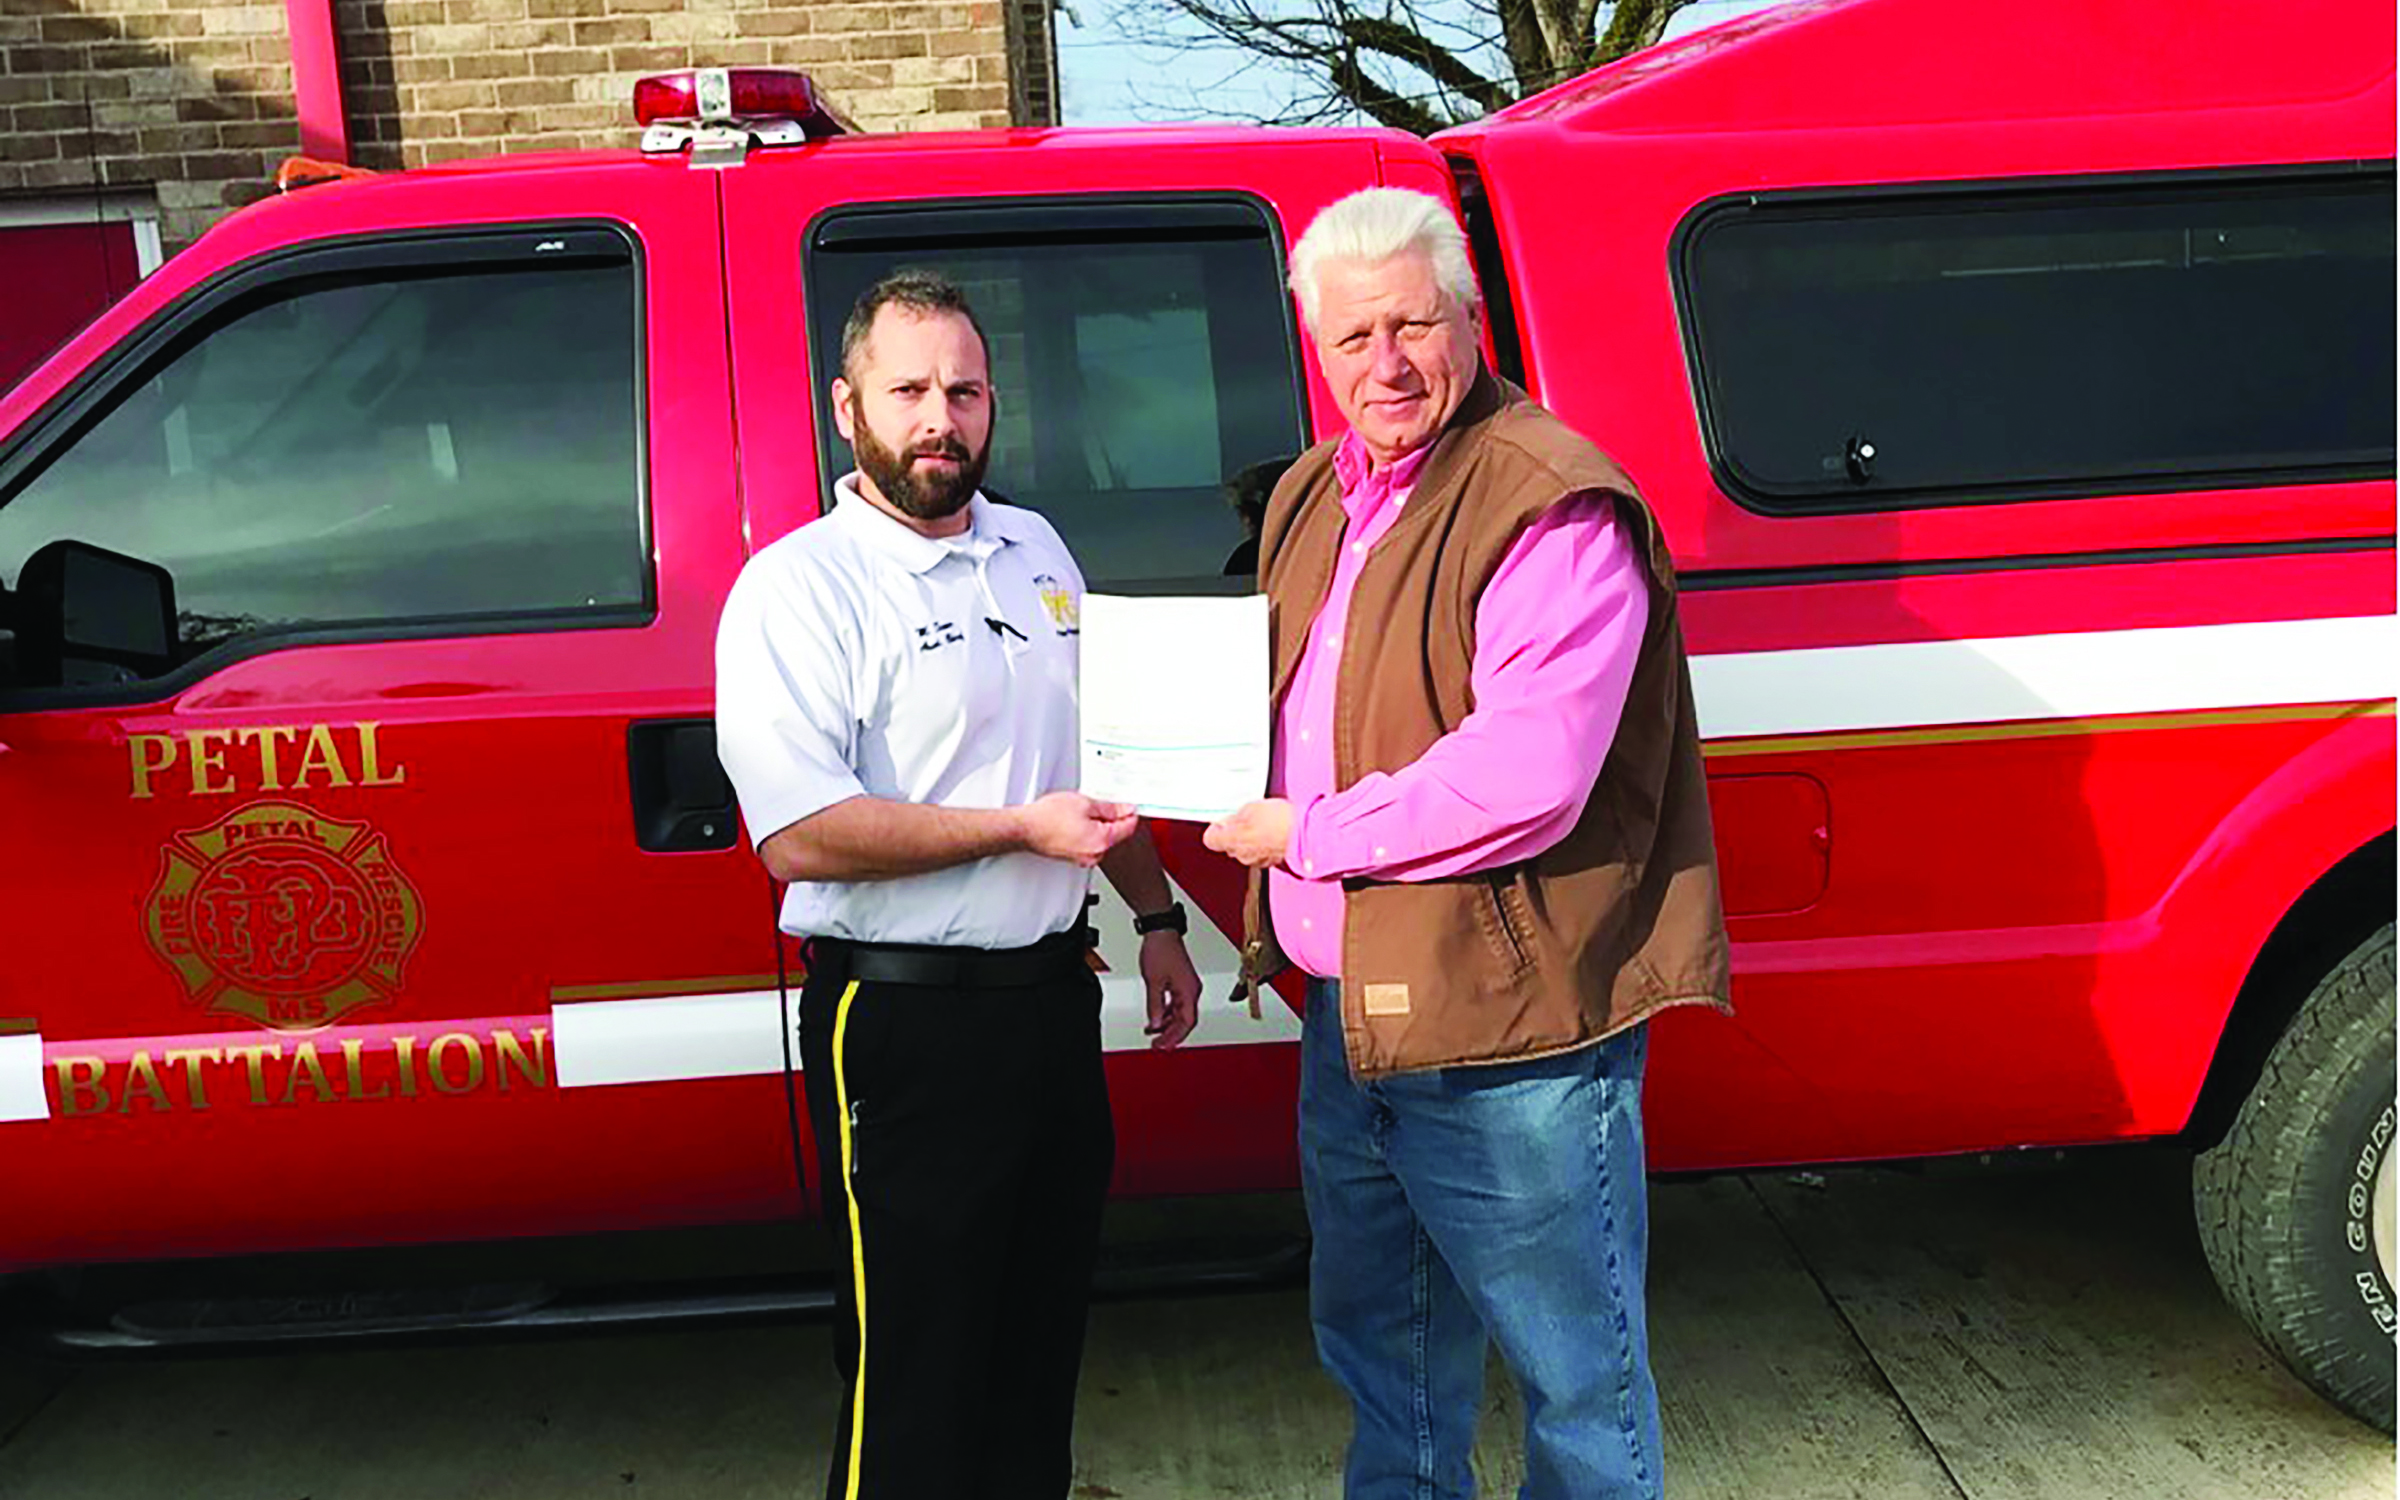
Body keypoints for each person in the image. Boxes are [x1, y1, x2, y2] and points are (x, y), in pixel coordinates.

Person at [1204, 188, 1730, 1500]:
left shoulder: (1550, 502)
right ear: (1315, 349)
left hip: (1512, 1038)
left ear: (1470, 317)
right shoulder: (1316, 492)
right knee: (1385, 1360)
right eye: (1352, 337)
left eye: (1413, 325)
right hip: (1349, 1017)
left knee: (1578, 1387)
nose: (1384, 364)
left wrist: (1309, 833)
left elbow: (1528, 777)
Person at [714, 269, 1204, 1500]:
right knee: (915, 1382)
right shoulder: (796, 589)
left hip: (1050, 1009)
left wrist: (1156, 917)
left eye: (967, 391)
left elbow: (1099, 763)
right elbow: (801, 834)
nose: (941, 418)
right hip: (903, 1023)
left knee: (1036, 1359)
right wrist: (1017, 831)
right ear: (848, 408)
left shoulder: (1036, 550)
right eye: (910, 391)